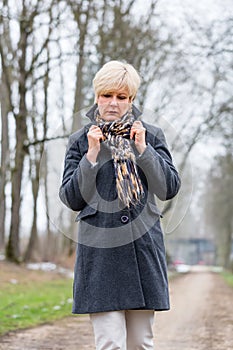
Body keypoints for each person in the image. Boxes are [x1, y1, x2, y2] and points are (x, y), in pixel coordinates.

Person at [59, 60, 181, 350]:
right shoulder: (81, 140)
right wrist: (90, 156)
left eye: (121, 97)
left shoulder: (150, 135)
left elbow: (169, 188)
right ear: (97, 96)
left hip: (143, 252)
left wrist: (143, 150)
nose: (113, 103)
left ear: (131, 99)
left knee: (141, 343)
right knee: (110, 344)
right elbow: (71, 197)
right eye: (107, 95)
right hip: (100, 258)